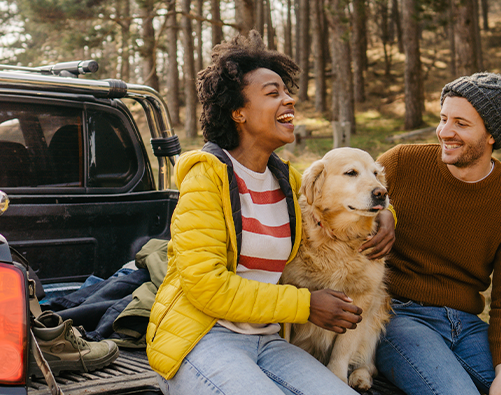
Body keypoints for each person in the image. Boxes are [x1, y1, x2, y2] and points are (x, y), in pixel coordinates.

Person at [145, 32, 363, 395]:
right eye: (273, 93)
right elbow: (207, 287)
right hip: (203, 337)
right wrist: (306, 305)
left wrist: (387, 215)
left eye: (287, 91)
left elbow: (345, 196)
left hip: (268, 339)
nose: (289, 99)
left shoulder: (286, 179)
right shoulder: (206, 178)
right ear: (239, 112)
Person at [366, 72, 501, 395]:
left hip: (468, 326)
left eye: (461, 123)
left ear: (491, 135)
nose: (445, 132)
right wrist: (386, 212)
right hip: (398, 316)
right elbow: (351, 200)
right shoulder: (403, 162)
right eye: (444, 118)